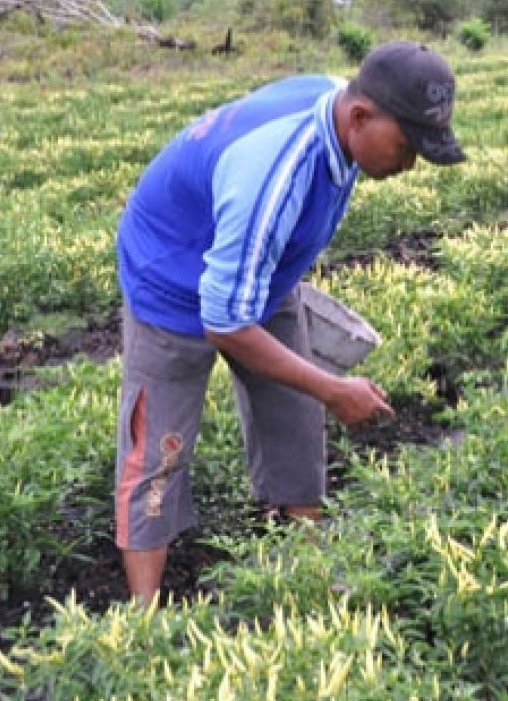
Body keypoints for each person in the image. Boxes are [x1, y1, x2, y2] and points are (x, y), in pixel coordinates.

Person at [114, 41, 465, 605]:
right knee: (160, 449)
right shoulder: (273, 175)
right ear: (360, 117)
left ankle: (307, 568)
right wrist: (333, 388)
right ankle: (144, 618)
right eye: (406, 147)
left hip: (255, 267)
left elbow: (255, 265)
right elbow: (225, 323)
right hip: (171, 280)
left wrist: (315, 387)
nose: (409, 164)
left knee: (296, 417)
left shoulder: (341, 112)